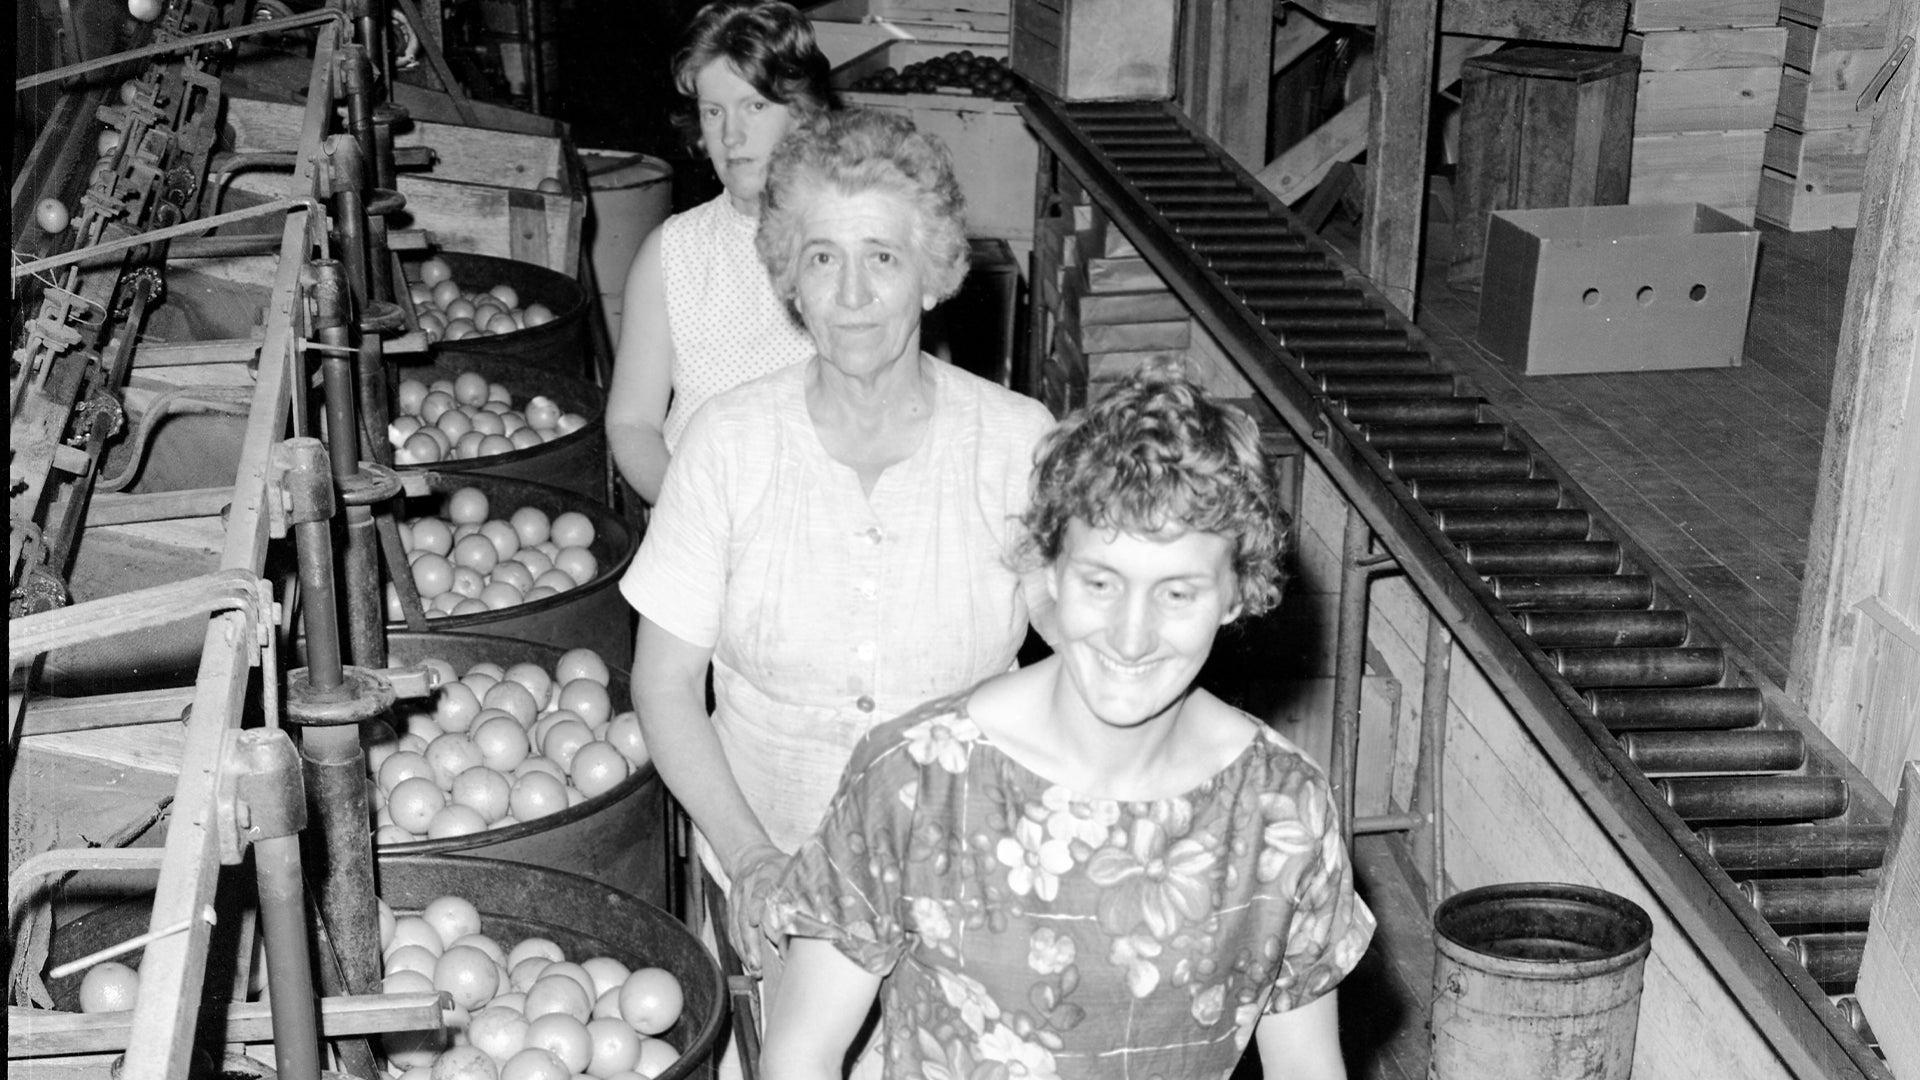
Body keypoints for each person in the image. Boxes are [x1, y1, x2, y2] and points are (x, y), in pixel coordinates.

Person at [759, 369, 1376, 1080]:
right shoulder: (915, 777)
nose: (1132, 636)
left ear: (1237, 593)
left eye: (1177, 592)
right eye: (1101, 583)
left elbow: (1307, 1070)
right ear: (1050, 569)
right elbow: (802, 1052)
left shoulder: (1281, 810)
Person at [622, 107, 1057, 991]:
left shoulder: (1017, 444)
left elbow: (1088, 662)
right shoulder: (726, 443)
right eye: (823, 258)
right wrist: (748, 857)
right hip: (773, 888)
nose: (852, 296)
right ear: (790, 278)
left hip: (964, 885)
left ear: (933, 276)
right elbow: (663, 684)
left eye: (883, 259)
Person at [604, 0, 832, 504]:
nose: (731, 135)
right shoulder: (672, 253)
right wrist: (698, 519)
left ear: (802, 113)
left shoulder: (848, 243)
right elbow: (632, 424)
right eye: (714, 111)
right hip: (698, 527)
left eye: (754, 106)